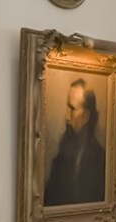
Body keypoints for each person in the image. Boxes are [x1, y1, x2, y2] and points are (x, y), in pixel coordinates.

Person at [44, 78, 107, 206]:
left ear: (86, 116)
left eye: (72, 109)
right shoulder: (61, 153)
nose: (66, 117)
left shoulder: (101, 158)